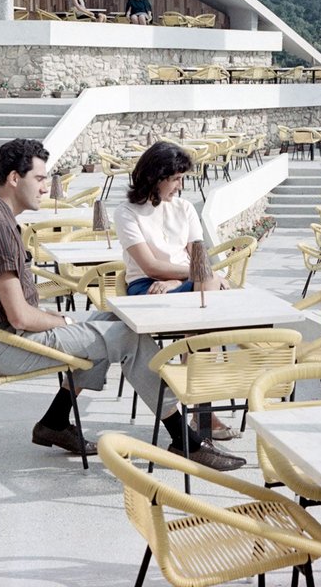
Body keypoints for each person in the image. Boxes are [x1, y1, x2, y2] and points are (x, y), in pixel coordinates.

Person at [0, 137, 244, 470]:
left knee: (108, 317)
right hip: (7, 346)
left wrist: (56, 319)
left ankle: (55, 421)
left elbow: (15, 310)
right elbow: (20, 317)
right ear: (15, 179)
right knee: (128, 337)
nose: (46, 188)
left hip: (2, 336)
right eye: (41, 178)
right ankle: (184, 440)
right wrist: (62, 322)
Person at [114, 141, 240, 440]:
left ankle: (198, 407)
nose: (180, 186)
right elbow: (150, 267)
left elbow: (198, 260)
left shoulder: (184, 208)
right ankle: (202, 413)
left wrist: (178, 281)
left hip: (181, 284)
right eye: (175, 179)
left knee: (204, 303)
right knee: (207, 300)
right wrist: (186, 276)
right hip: (148, 289)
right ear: (155, 177)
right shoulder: (127, 212)